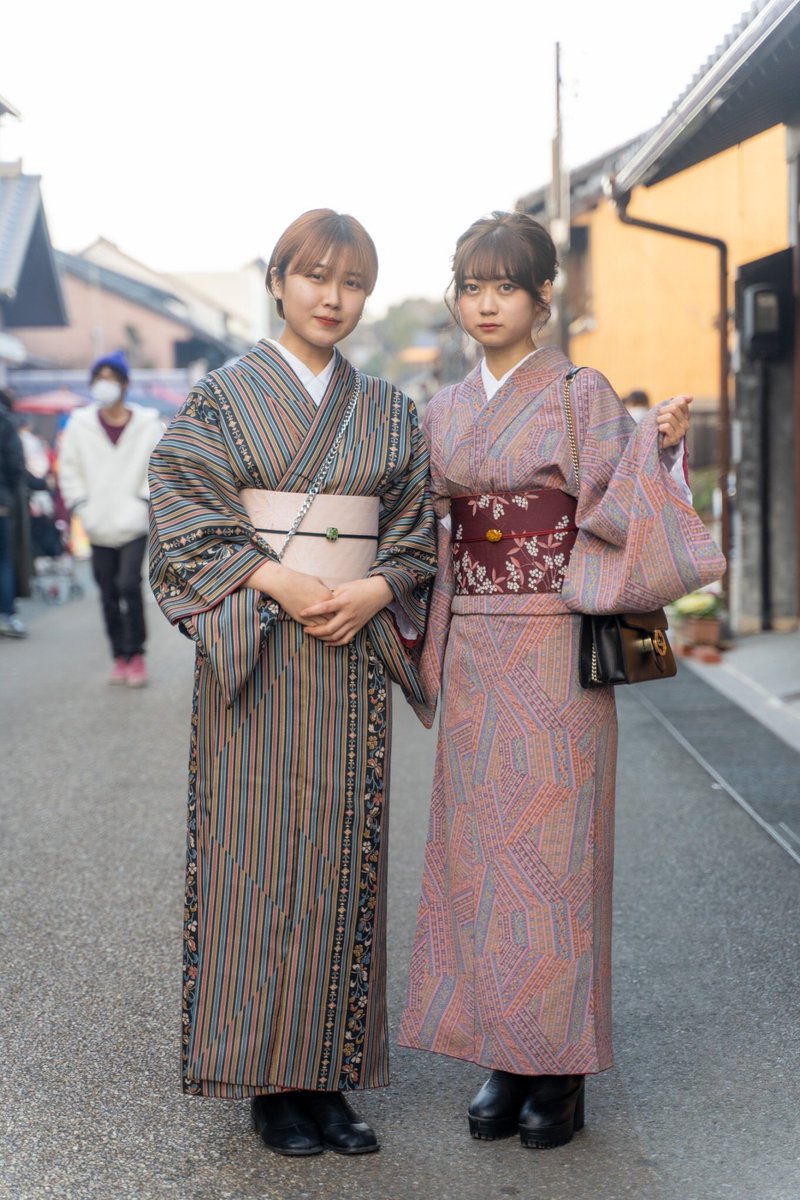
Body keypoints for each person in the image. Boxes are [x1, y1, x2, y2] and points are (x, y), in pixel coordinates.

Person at [397, 212, 726, 1149]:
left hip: (553, 640)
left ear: (547, 296)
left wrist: (657, 451)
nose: (485, 302)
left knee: (554, 856)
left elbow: (624, 504)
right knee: (479, 860)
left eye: (505, 284)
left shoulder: (581, 394)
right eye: (470, 285)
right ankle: (507, 1055)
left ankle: (563, 1070)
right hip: (473, 647)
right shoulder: (443, 410)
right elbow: (426, 531)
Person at [148, 209, 437, 1158]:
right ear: (277, 281)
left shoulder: (389, 409)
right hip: (261, 645)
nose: (332, 298)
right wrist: (272, 574)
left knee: (342, 857)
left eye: (352, 284)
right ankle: (270, 1081)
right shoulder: (226, 396)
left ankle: (332, 1076)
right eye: (314, 276)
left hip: (349, 646)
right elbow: (182, 495)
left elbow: (415, 525)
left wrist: (373, 588)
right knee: (256, 858)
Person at [57, 351, 162, 686]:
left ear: (125, 384)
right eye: (98, 379)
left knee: (129, 584)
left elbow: (159, 463)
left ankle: (137, 654)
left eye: (111, 379)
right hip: (97, 521)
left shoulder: (147, 423)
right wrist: (80, 504)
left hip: (133, 521)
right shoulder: (79, 424)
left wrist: (143, 500)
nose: (104, 385)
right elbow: (69, 468)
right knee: (105, 591)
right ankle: (119, 655)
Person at [0, 391, 27, 637]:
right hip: (2, 503)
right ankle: (6, 615)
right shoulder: (5, 421)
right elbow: (15, 464)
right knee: (3, 560)